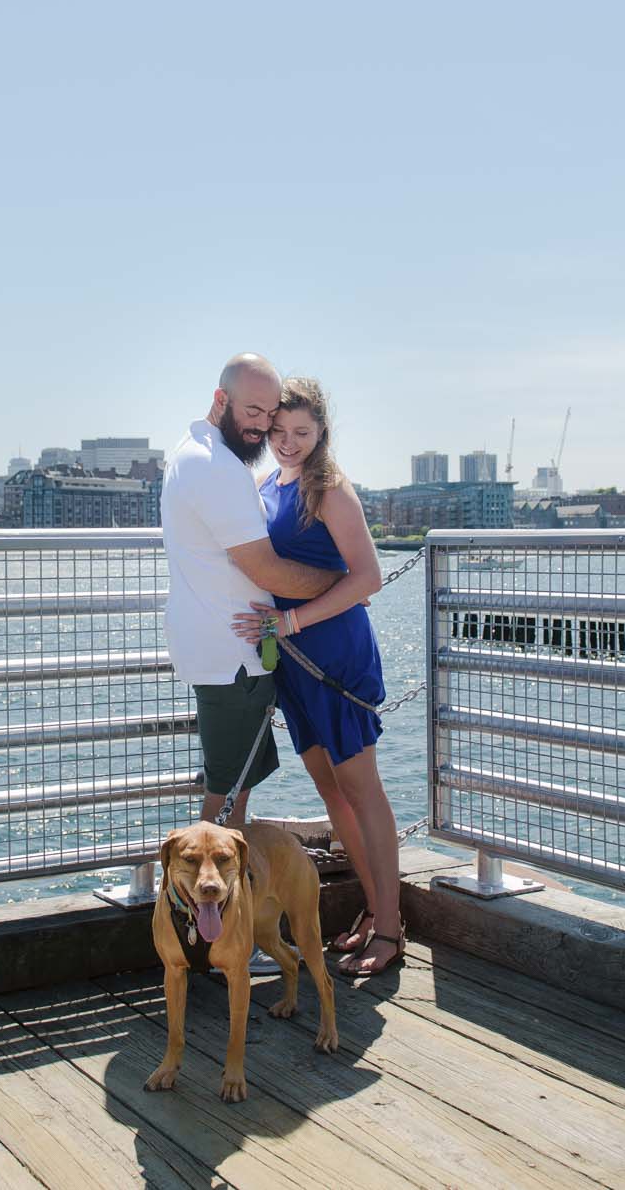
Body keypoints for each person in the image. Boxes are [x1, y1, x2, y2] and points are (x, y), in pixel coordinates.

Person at [232, 377, 403, 976]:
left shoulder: (328, 489)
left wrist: (294, 617)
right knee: (332, 793)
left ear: (322, 432)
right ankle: (377, 911)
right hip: (295, 662)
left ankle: (390, 928)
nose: (288, 443)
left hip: (335, 656)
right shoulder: (266, 485)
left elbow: (368, 577)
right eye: (279, 431)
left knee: (363, 790)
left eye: (302, 433)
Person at [161, 353, 341, 829]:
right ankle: (209, 904)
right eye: (252, 412)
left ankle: (227, 900)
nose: (262, 427)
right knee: (225, 800)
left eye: (270, 413)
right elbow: (267, 570)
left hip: (228, 653)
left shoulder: (194, 452)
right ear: (222, 400)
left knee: (233, 792)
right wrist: (339, 581)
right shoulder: (214, 466)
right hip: (232, 661)